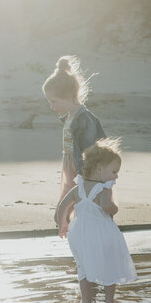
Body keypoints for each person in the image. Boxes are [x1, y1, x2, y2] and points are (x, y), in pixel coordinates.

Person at [55, 138, 137, 303]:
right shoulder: (104, 188)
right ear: (100, 170)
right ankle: (109, 301)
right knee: (110, 265)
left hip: (80, 233)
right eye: (114, 171)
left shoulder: (79, 187)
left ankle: (85, 301)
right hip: (101, 232)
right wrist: (115, 208)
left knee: (83, 267)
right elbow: (107, 207)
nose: (116, 176)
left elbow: (62, 206)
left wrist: (62, 223)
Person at [43, 55, 106, 203]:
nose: (51, 107)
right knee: (68, 197)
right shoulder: (69, 117)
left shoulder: (84, 119)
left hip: (80, 167)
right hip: (68, 163)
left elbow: (90, 150)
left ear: (68, 96)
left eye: (53, 101)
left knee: (81, 198)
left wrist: (85, 172)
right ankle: (67, 222)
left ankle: (77, 222)